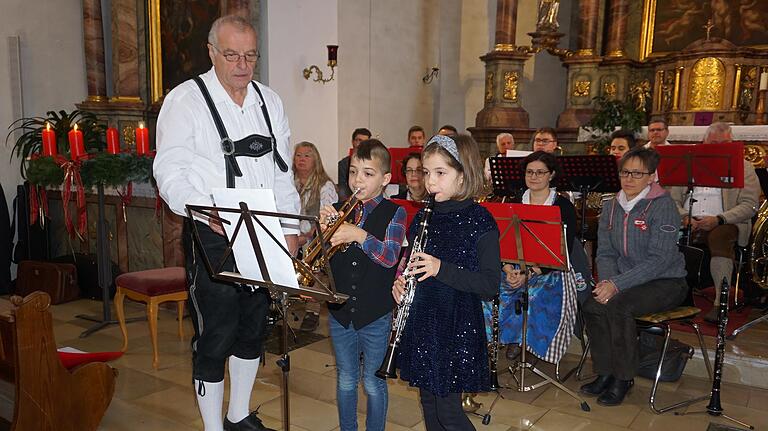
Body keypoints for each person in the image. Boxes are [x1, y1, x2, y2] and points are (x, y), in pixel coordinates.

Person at [153, 15, 299, 431]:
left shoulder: (269, 102)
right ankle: (213, 428)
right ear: (212, 53)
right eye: (232, 55)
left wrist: (288, 230)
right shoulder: (186, 100)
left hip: (263, 227)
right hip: (212, 231)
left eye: (250, 55)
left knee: (253, 326)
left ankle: (238, 416)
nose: (242, 65)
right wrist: (203, 208)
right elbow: (169, 171)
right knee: (217, 332)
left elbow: (282, 174)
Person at [394, 134, 501, 431]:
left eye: (440, 173)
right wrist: (401, 283)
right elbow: (412, 267)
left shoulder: (480, 220)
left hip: (456, 327)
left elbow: (490, 285)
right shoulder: (423, 217)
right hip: (424, 322)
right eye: (427, 173)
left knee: (449, 413)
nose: (430, 182)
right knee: (429, 405)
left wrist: (441, 268)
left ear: (464, 174)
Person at [580, 148, 688, 407]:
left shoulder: (663, 206)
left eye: (637, 173)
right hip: (623, 280)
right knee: (593, 305)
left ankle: (623, 378)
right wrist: (607, 283)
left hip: (666, 281)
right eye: (625, 172)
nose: (629, 178)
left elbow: (659, 259)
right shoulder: (611, 205)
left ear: (652, 177)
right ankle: (605, 372)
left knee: (620, 307)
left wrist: (616, 286)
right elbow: (604, 252)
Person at [320, 139, 406, 431]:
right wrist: (322, 233)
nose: (358, 179)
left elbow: (389, 256)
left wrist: (358, 234)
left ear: (385, 179)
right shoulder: (335, 209)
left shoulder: (395, 212)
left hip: (376, 314)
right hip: (340, 311)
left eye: (368, 173)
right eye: (354, 171)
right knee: (345, 378)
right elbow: (319, 260)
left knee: (372, 381)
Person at [668, 122, 760, 323]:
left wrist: (719, 219)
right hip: (688, 219)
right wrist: (684, 216)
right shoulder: (688, 163)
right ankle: (673, 297)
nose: (719, 147)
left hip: (726, 222)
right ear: (704, 142)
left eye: (724, 143)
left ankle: (720, 302)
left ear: (733, 143)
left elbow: (750, 205)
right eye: (714, 143)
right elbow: (672, 199)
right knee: (662, 232)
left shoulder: (744, 167)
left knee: (719, 237)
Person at [500, 151, 579, 363]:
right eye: (530, 172)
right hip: (514, 266)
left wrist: (530, 273)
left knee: (534, 292)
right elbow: (500, 242)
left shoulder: (563, 207)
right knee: (494, 288)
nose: (534, 177)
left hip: (550, 269)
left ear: (551, 175)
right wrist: (508, 268)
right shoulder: (513, 203)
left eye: (540, 172)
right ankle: (509, 339)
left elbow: (564, 253)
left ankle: (529, 342)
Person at [293, 141, 339, 332]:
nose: (301, 159)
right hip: (292, 234)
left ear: (316, 160)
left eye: (307, 155)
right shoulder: (288, 182)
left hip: (315, 237)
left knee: (314, 262)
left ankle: (312, 311)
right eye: (298, 155)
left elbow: (326, 219)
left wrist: (304, 237)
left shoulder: (324, 185)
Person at [338, 128, 372, 201]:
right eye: (359, 140)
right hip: (351, 195)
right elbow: (342, 188)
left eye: (365, 141)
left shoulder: (372, 163)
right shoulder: (343, 164)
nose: (361, 144)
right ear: (353, 142)